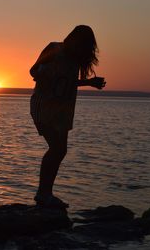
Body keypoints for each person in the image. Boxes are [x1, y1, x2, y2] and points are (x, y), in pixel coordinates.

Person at [30, 25, 106, 208]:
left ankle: (45, 193)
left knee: (60, 150)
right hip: (44, 104)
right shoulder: (54, 48)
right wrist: (44, 76)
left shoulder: (75, 59)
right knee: (56, 148)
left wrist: (89, 82)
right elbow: (33, 71)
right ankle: (43, 193)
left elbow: (68, 82)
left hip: (63, 108)